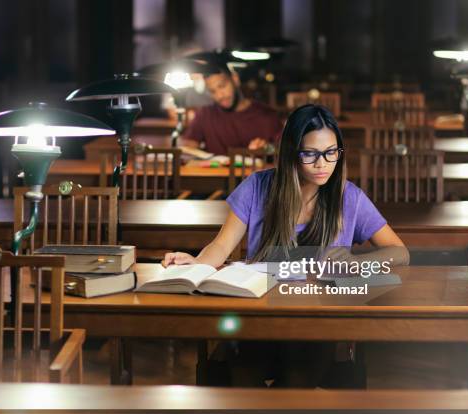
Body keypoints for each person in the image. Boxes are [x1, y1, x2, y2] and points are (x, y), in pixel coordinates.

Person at [164, 104, 410, 387]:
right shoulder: (257, 187)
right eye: (310, 154)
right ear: (292, 152)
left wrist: (357, 261)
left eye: (331, 153)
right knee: (245, 376)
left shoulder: (348, 197)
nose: (322, 164)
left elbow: (400, 252)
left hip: (317, 319)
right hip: (259, 314)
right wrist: (196, 264)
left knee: (297, 377)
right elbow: (221, 246)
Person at [180, 64, 284, 155]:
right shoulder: (205, 114)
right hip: (218, 175)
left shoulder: (266, 115)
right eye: (212, 91)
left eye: (222, 86)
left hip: (255, 176)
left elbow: (282, 151)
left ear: (235, 79)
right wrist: (188, 148)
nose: (219, 96)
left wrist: (265, 148)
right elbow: (188, 146)